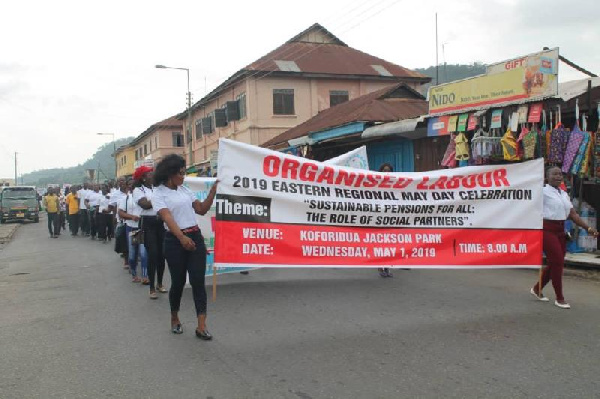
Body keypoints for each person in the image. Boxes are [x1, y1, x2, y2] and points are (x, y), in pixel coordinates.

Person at [152, 154, 217, 340]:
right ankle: (174, 318)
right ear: (170, 174)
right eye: (181, 173)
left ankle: (201, 326)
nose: (183, 176)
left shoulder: (185, 190)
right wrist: (181, 238)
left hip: (194, 236)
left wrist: (212, 192)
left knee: (198, 282)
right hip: (174, 241)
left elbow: (201, 209)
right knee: (178, 282)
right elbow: (167, 217)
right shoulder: (159, 193)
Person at [531, 166, 599, 309]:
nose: (558, 176)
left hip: (560, 231)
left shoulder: (563, 194)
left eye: (559, 174)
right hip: (546, 230)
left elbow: (573, 215)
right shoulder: (542, 192)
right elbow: (530, 206)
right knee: (557, 262)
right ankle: (559, 297)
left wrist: (589, 228)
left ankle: (537, 288)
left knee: (555, 263)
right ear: (547, 177)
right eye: (554, 174)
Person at [133, 165, 167, 299]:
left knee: (162, 255)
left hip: (160, 222)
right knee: (152, 254)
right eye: (149, 174)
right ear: (142, 178)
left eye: (152, 173)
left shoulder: (157, 188)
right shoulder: (138, 190)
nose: (152, 175)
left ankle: (160, 283)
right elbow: (145, 205)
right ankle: (151, 287)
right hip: (148, 223)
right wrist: (158, 199)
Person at [119, 178, 148, 283]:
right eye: (129, 184)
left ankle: (145, 276)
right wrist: (132, 217)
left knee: (144, 253)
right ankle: (134, 274)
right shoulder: (126, 198)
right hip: (131, 228)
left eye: (133, 183)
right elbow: (121, 213)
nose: (131, 185)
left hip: (143, 227)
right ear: (127, 186)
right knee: (132, 254)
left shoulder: (144, 196)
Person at [377, 163, 395, 278]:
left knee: (389, 243)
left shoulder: (395, 184)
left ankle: (387, 267)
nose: (386, 172)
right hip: (378, 218)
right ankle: (379, 266)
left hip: (390, 218)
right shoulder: (376, 184)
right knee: (380, 243)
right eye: (384, 170)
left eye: (388, 170)